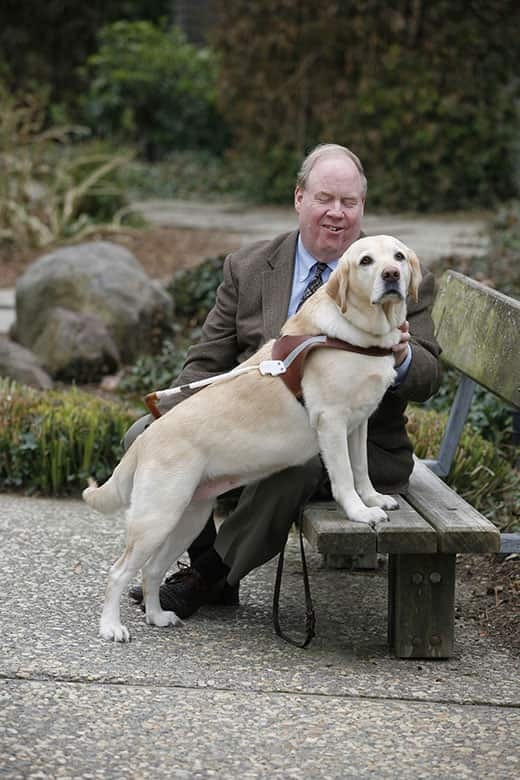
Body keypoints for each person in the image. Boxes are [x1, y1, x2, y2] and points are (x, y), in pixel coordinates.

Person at [127, 143, 442, 617]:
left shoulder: (394, 270)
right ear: (299, 198)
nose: (336, 213)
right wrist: (184, 421)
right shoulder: (249, 268)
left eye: (349, 202)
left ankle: (209, 578)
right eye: (324, 199)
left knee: (295, 464)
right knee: (146, 435)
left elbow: (429, 376)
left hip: (360, 448)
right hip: (256, 424)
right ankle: (203, 561)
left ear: (362, 208)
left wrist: (400, 355)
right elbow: (206, 361)